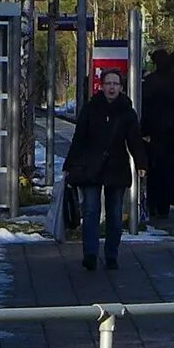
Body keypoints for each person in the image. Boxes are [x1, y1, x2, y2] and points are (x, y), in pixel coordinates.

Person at [65, 67, 137, 271]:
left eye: (115, 84)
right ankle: (90, 254)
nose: (112, 87)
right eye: (108, 83)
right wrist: (70, 164)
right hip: (91, 167)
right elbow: (79, 138)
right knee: (90, 210)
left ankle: (111, 254)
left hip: (116, 167)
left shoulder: (127, 111)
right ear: (101, 86)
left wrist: (141, 163)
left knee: (115, 214)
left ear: (121, 87)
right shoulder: (90, 109)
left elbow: (133, 139)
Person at [138, 50, 174, 220]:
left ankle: (159, 207)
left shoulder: (150, 82)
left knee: (158, 172)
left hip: (157, 134)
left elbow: (146, 109)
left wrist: (145, 131)